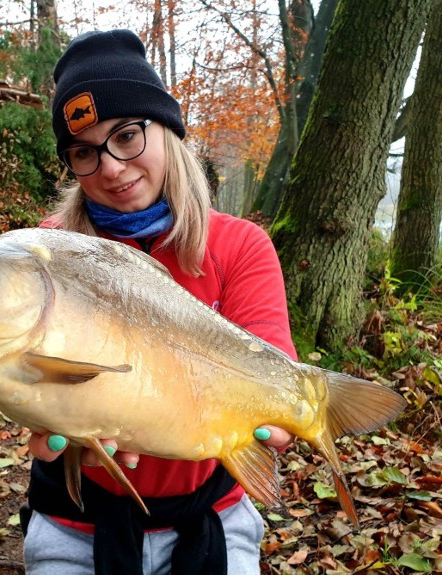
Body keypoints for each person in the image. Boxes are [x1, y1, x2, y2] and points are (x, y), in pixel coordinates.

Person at [21, 29, 297, 575]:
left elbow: (274, 373)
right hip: (75, 523)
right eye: (84, 152)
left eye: (126, 136)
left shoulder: (239, 246)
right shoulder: (47, 251)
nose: (111, 168)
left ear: (167, 130)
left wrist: (280, 420)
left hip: (210, 521)